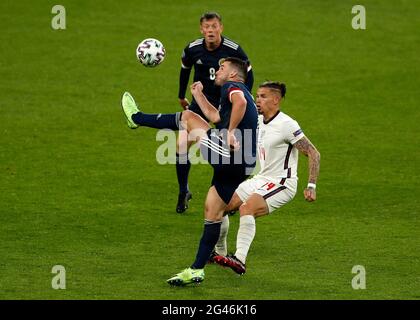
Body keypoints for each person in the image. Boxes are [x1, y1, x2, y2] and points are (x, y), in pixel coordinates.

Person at [120, 57, 258, 285]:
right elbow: (215, 118)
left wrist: (231, 132)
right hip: (243, 164)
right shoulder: (233, 92)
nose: (218, 71)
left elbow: (240, 102)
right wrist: (199, 96)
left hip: (232, 155)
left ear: (233, 74)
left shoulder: (234, 88)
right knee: (212, 212)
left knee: (188, 118)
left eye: (222, 68)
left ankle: (136, 118)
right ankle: (196, 270)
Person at [212, 81, 321, 275]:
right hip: (261, 178)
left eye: (262, 96)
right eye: (257, 95)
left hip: (282, 182)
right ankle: (219, 254)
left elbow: (313, 153)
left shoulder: (287, 125)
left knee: (247, 208)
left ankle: (239, 260)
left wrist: (311, 185)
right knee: (219, 207)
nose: (257, 100)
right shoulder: (258, 120)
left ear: (276, 100)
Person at [175, 11, 254, 213]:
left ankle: (226, 195)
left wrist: (246, 96)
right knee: (182, 144)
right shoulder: (193, 49)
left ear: (221, 28)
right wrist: (181, 95)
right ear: (201, 29)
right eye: (207, 27)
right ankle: (183, 191)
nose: (211, 30)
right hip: (199, 103)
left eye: (214, 26)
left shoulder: (234, 50)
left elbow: (248, 74)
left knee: (226, 151)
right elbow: (185, 69)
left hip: (224, 104)